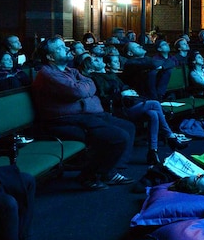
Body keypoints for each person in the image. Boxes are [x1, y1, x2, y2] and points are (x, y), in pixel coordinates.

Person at [30, 36, 134, 188]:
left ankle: (110, 170)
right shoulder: (47, 74)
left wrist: (83, 87)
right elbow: (76, 91)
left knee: (128, 127)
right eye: (60, 48)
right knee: (118, 136)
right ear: (50, 57)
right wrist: (84, 88)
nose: (66, 49)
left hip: (86, 116)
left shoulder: (69, 70)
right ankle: (90, 176)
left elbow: (91, 82)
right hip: (65, 120)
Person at [78, 53, 187, 165]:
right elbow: (103, 99)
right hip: (119, 108)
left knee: (153, 114)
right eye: (95, 61)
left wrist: (128, 91)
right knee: (155, 104)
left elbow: (124, 86)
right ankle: (170, 136)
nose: (99, 60)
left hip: (131, 103)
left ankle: (153, 151)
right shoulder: (95, 79)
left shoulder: (111, 75)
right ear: (91, 68)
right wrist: (122, 94)